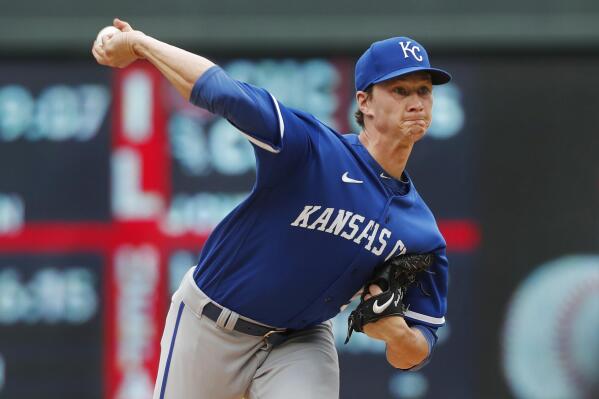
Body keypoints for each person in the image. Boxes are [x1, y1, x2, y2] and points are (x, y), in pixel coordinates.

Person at [92, 18, 450, 399]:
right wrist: (140, 43)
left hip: (300, 341)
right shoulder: (314, 150)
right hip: (212, 324)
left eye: (424, 91)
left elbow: (417, 348)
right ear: (364, 101)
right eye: (399, 90)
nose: (416, 102)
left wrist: (397, 335)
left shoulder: (420, 231)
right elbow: (224, 92)